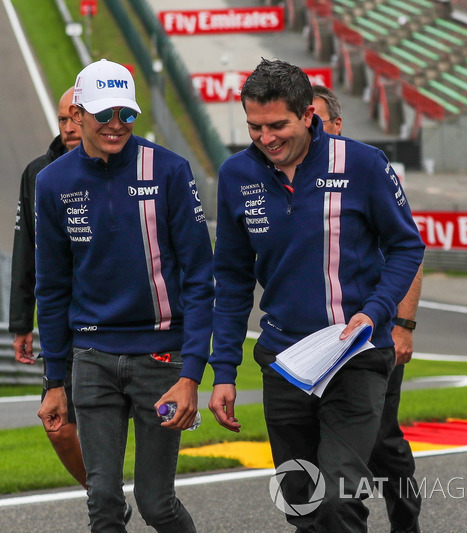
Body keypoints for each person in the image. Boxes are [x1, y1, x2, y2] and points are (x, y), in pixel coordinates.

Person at [209, 59, 425, 532]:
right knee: (301, 505)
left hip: (358, 356)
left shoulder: (363, 164)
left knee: (338, 499)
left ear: (309, 115)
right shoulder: (236, 175)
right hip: (285, 362)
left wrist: (376, 312)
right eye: (255, 127)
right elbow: (230, 280)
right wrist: (223, 370)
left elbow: (408, 245)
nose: (266, 138)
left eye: (278, 125)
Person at [35, 59, 213, 532]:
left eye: (126, 115)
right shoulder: (51, 183)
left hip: (160, 360)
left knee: (157, 505)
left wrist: (192, 372)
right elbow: (51, 288)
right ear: (79, 116)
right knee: (104, 505)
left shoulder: (171, 171)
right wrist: (55, 379)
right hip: (90, 359)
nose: (116, 125)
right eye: (104, 114)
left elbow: (200, 277)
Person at [313, 83, 425, 532]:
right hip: (314, 342)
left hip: (374, 337)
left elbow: (410, 252)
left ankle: (405, 524)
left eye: (315, 120)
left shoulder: (366, 170)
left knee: (382, 444)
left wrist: (402, 326)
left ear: (336, 125)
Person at [8, 88, 87, 491]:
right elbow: (26, 249)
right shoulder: (37, 174)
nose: (70, 127)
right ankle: (101, 492)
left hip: (123, 323)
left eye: (77, 117)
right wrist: (22, 322)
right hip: (63, 325)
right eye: (62, 119)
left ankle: (125, 496)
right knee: (58, 427)